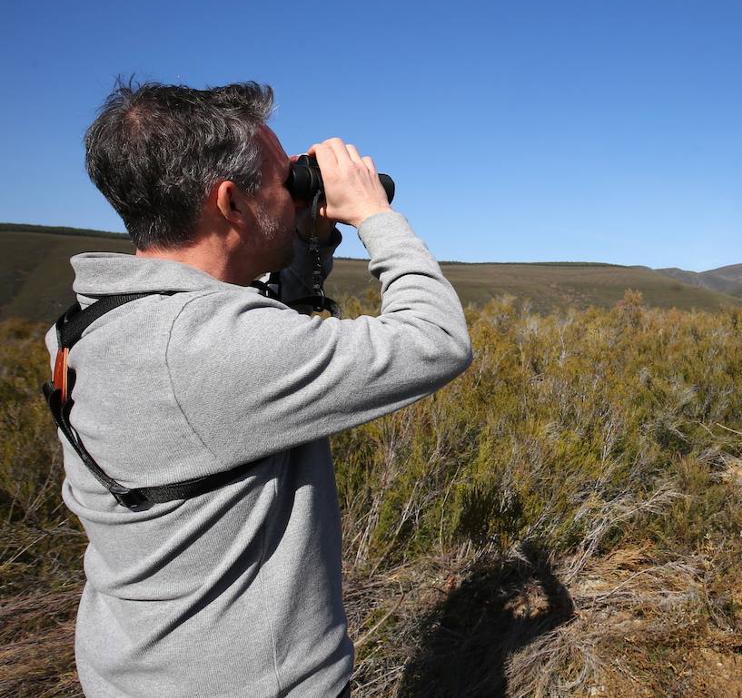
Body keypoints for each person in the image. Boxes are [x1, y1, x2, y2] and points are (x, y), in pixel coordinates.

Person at [47, 81, 472, 697]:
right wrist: (374, 214)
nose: (296, 187)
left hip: (139, 666)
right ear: (231, 202)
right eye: (283, 178)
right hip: (248, 681)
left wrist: (308, 241)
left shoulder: (91, 323)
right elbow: (434, 339)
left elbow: (257, 332)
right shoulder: (204, 349)